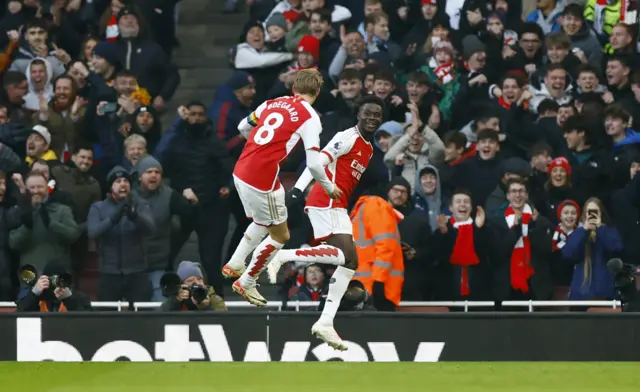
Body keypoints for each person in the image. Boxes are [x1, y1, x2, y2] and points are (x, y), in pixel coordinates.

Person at [266, 95, 386, 350]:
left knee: (351, 261)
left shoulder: (369, 148)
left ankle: (325, 322)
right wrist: (298, 190)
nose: (372, 118)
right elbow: (317, 163)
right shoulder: (348, 136)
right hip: (325, 200)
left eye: (377, 115)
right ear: (358, 115)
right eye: (368, 113)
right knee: (345, 257)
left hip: (339, 205)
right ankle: (284, 256)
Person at [222, 69, 340, 306]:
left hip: (241, 170)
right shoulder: (310, 117)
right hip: (261, 179)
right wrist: (329, 187)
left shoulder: (272, 103)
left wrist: (258, 147)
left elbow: (242, 127)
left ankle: (234, 263)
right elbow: (315, 165)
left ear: (293, 88)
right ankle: (246, 281)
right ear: (317, 92)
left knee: (262, 222)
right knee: (280, 234)